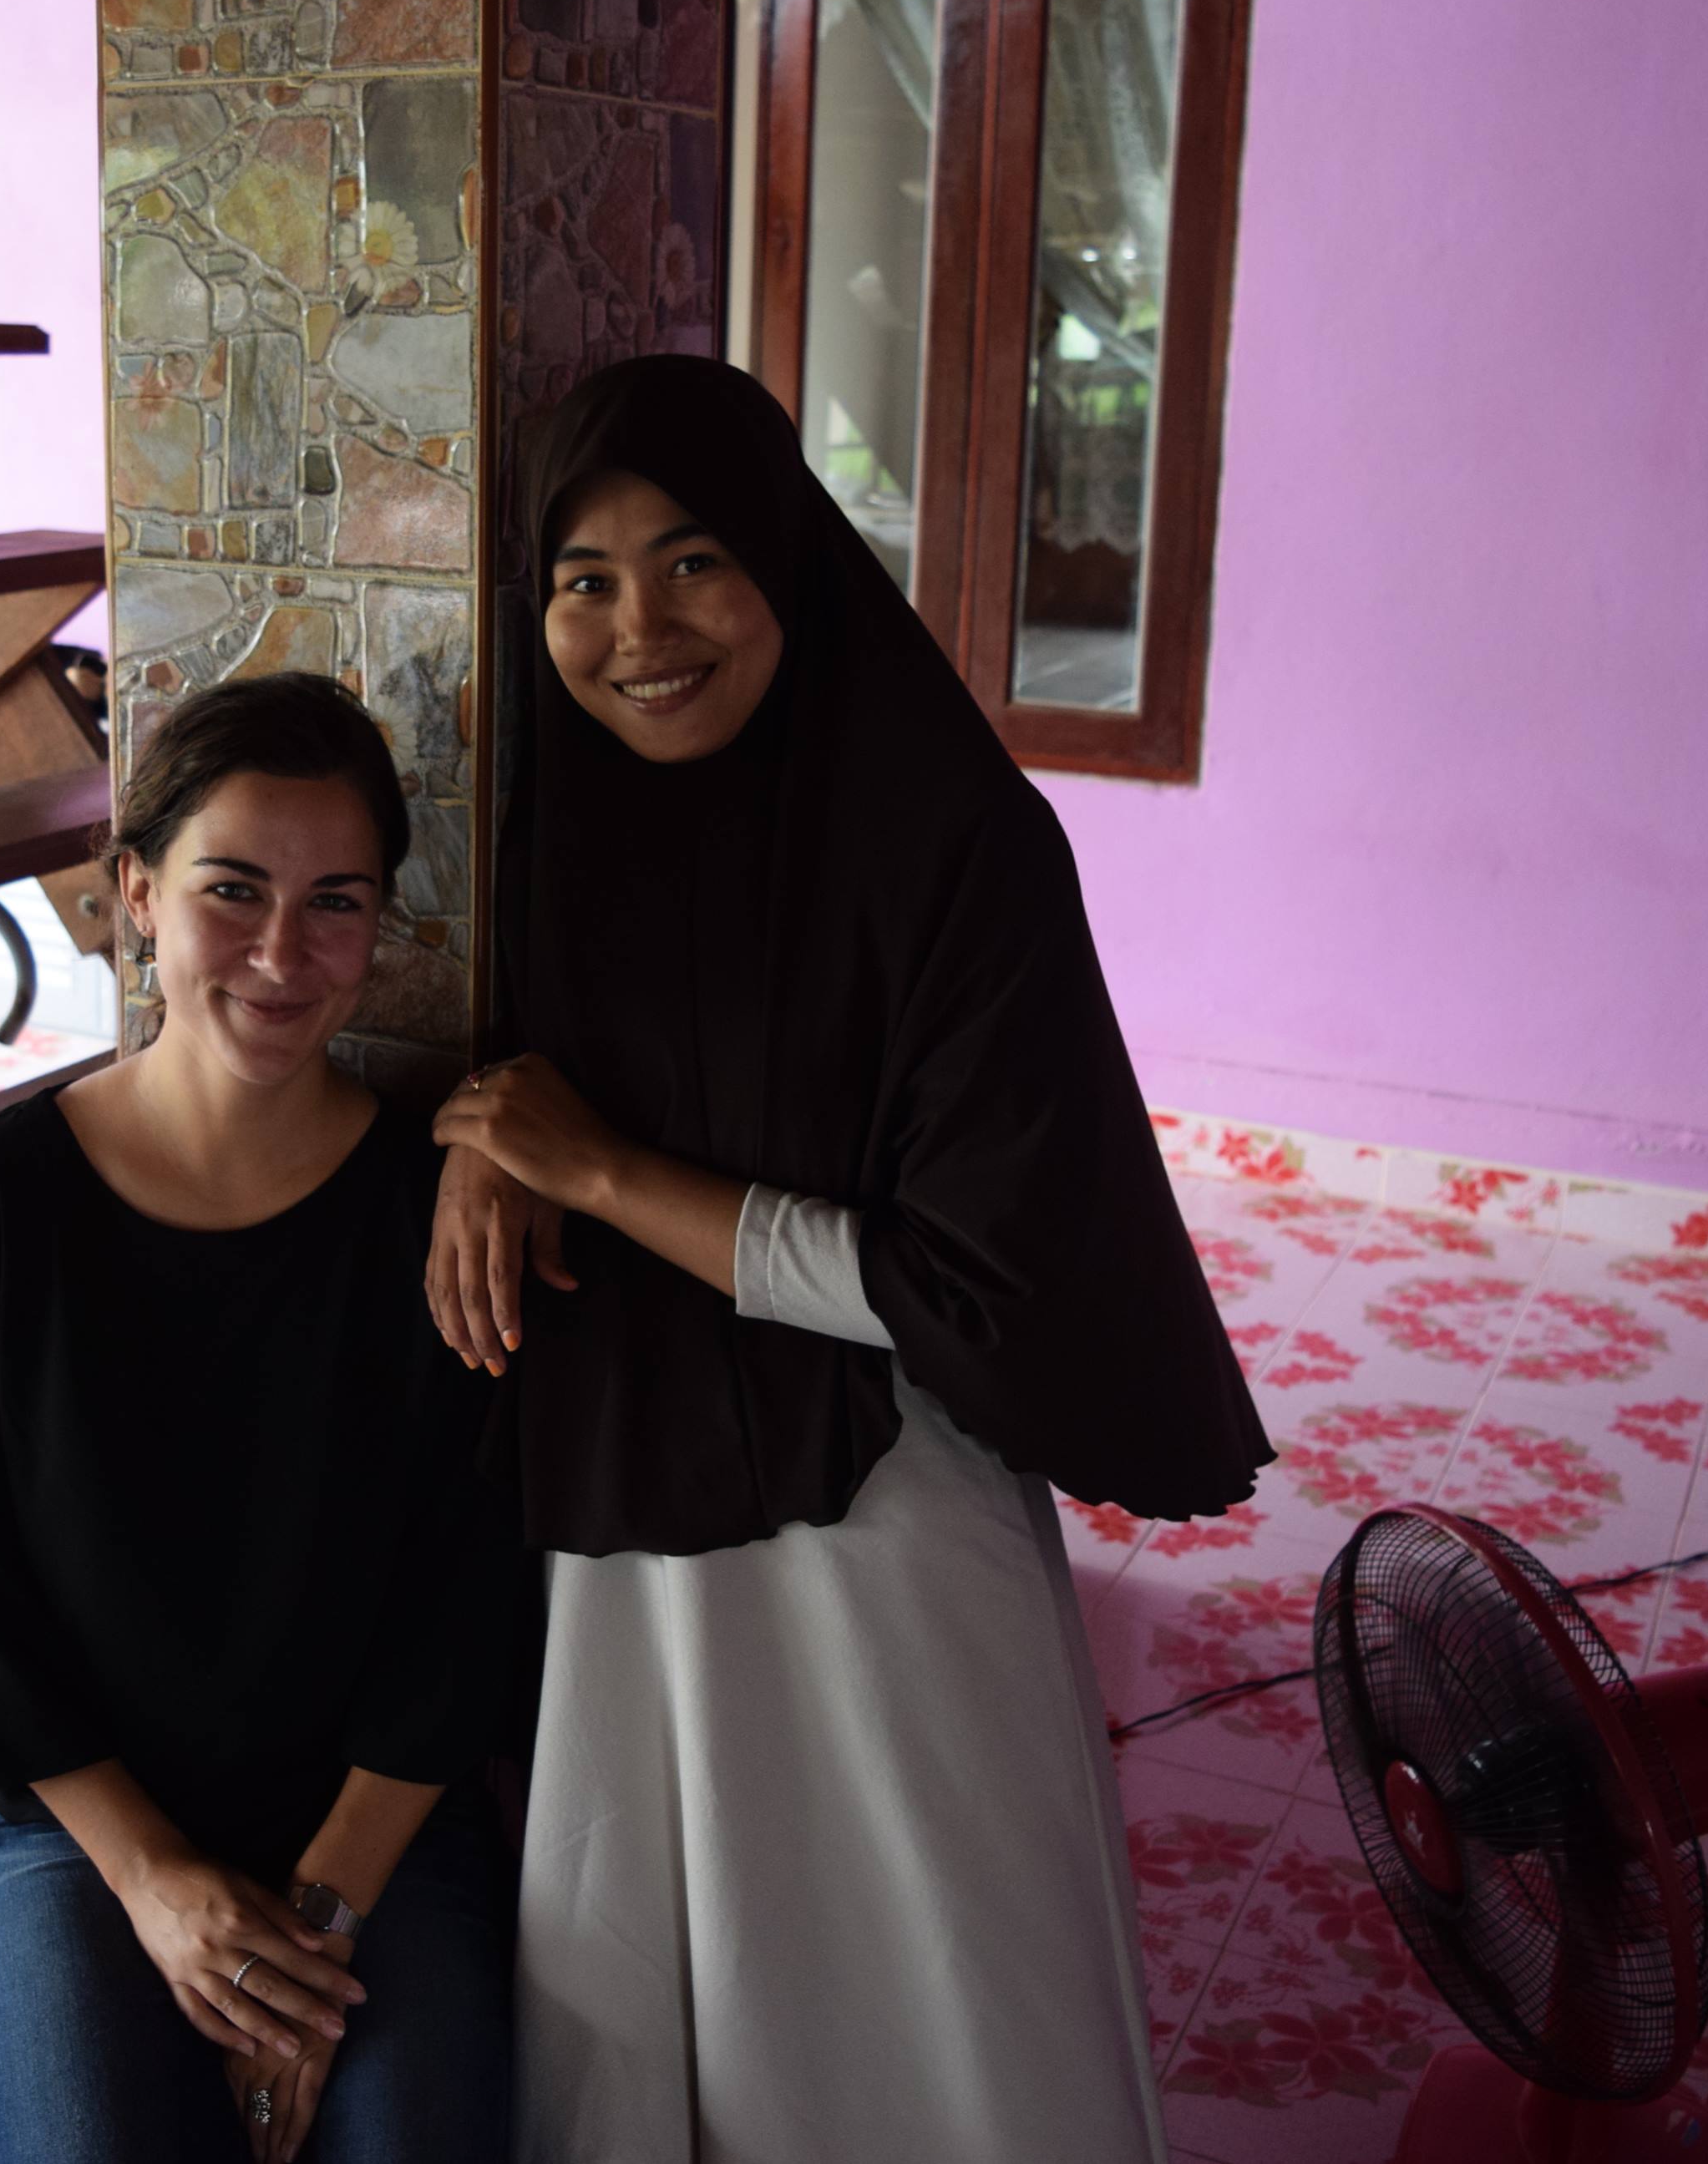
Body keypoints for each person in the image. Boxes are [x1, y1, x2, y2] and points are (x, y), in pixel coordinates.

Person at [428, 354, 1272, 2161]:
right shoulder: (546, 826)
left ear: (789, 557)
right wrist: (483, 1136)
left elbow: (971, 1283)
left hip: (882, 1524)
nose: (639, 631)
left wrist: (605, 1172)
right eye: (582, 579)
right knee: (662, 1984)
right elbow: (500, 1072)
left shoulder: (955, 849)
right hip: (630, 1540)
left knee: (933, 1995)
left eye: (692, 561)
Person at [0, 673, 515, 2164]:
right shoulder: (1, 1201)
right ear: (138, 894)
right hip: (74, 1827)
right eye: (233, 890)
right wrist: (160, 1886)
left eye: (336, 902)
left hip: (374, 1830)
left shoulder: (435, 1208)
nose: (284, 954)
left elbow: (466, 1595)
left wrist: (312, 1932)